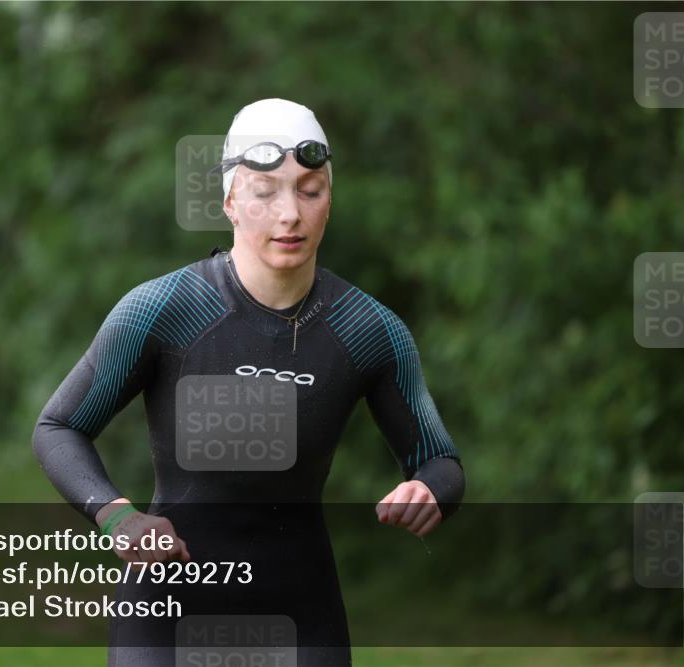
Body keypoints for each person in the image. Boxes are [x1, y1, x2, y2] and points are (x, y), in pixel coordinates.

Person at [32, 98, 465, 666]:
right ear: (231, 201)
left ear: (329, 201)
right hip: (168, 607)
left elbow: (440, 461)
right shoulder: (163, 310)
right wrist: (118, 516)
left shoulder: (368, 330)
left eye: (309, 190)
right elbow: (59, 426)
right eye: (266, 192)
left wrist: (428, 490)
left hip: (300, 610)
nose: (290, 213)